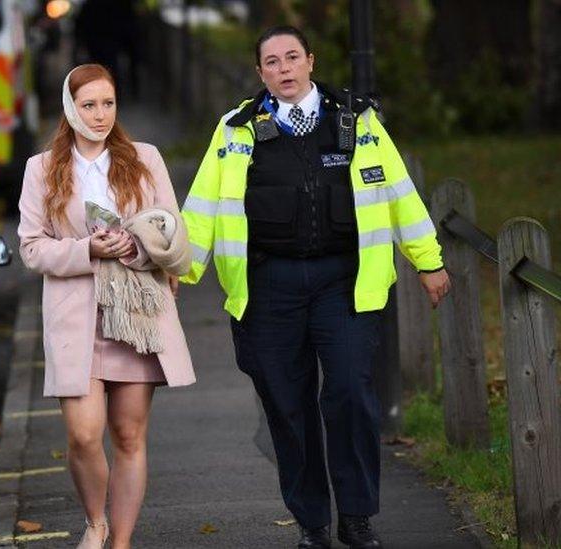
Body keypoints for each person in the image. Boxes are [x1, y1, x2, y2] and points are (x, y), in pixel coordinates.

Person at [180, 26, 451, 549]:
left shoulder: (357, 121)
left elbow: (399, 192)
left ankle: (356, 517)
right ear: (260, 73)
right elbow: (202, 209)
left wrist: (428, 259)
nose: (284, 68)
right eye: (272, 62)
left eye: (292, 57)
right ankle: (312, 523)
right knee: (287, 406)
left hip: (343, 283)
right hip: (268, 288)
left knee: (350, 393)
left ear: (310, 61)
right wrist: (179, 270)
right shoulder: (235, 129)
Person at [18, 63, 195, 549]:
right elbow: (31, 248)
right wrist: (87, 250)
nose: (100, 115)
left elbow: (172, 230)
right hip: (76, 313)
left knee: (129, 435)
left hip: (137, 313)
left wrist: (135, 248)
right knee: (83, 434)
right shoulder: (42, 167)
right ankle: (95, 520)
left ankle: (120, 542)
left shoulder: (144, 158)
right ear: (70, 108)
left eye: (108, 104)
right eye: (89, 105)